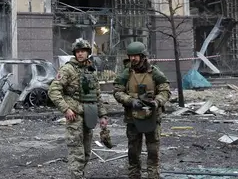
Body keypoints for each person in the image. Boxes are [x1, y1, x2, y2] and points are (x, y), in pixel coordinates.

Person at [49, 38, 109, 179]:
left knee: (87, 152)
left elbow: (97, 95)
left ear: (88, 53)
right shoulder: (68, 69)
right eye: (78, 51)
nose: (80, 54)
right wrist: (66, 109)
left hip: (89, 113)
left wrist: (103, 115)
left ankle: (80, 175)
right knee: (77, 153)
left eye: (83, 51)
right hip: (74, 115)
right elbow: (53, 90)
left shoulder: (91, 70)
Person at [113, 41, 171, 179]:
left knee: (153, 151)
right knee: (133, 151)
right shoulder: (126, 73)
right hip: (132, 118)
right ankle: (134, 175)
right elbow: (117, 91)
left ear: (143, 56)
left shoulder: (154, 72)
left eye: (136, 56)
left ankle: (153, 175)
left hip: (152, 117)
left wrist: (157, 102)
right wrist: (130, 101)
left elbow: (165, 90)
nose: (133, 58)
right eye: (131, 56)